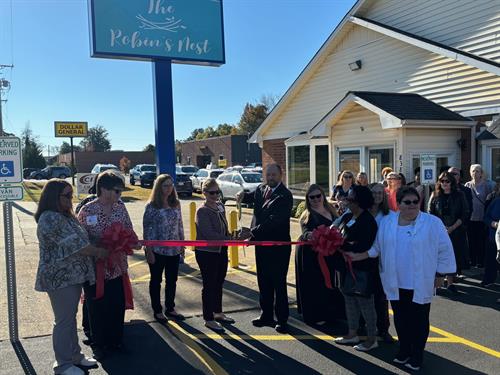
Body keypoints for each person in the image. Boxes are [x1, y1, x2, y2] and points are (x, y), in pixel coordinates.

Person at [347, 186, 456, 371]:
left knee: (419, 320)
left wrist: (440, 274)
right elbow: (377, 248)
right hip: (396, 281)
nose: (412, 205)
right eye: (407, 202)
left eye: (416, 202)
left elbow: (444, 248)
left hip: (421, 281)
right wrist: (358, 256)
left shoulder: (432, 222)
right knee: (401, 318)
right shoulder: (387, 223)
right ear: (398, 204)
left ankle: (417, 354)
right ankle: (404, 349)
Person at [35, 179, 108, 375]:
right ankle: (63, 364)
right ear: (53, 197)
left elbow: (84, 238)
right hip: (60, 278)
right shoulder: (49, 218)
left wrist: (114, 241)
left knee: (70, 319)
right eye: (66, 195)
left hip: (73, 277)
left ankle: (75, 356)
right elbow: (77, 246)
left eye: (71, 194)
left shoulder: (66, 216)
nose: (70, 199)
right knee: (64, 321)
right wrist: (100, 252)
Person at [77, 172, 135, 360]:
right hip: (95, 269)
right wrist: (99, 248)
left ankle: (116, 341)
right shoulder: (87, 210)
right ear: (103, 189)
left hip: (117, 267)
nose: (120, 194)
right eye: (117, 191)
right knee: (97, 307)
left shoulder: (120, 208)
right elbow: (80, 241)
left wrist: (132, 241)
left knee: (116, 305)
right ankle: (99, 344)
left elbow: (128, 229)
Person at [243, 163, 293, 333]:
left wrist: (251, 232)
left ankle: (282, 319)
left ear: (281, 175)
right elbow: (252, 198)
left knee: (278, 283)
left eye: (274, 175)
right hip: (261, 245)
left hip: (278, 247)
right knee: (263, 281)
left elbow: (274, 221)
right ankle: (266, 315)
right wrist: (241, 195)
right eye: (268, 175)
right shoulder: (261, 189)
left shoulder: (285, 196)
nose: (270, 178)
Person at [333, 185, 379, 352]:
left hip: (362, 268)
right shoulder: (348, 217)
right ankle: (352, 333)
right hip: (347, 267)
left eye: (350, 199)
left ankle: (371, 339)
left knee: (365, 303)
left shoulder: (368, 221)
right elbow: (338, 234)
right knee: (349, 299)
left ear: (360, 202)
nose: (347, 202)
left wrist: (343, 245)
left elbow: (362, 245)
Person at [295, 184, 342, 324]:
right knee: (315, 284)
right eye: (312, 197)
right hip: (311, 255)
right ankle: (315, 315)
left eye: (318, 196)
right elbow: (305, 234)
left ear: (323, 196)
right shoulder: (306, 216)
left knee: (332, 282)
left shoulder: (332, 211)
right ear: (307, 199)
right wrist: (312, 236)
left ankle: (334, 312)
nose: (315, 199)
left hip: (331, 253)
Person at [143, 174, 186, 324]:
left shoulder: (176, 203)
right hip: (157, 250)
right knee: (156, 280)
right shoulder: (151, 206)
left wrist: (182, 244)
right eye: (165, 185)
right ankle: (157, 310)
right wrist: (148, 251)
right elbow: (146, 229)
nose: (169, 188)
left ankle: (170, 308)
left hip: (173, 250)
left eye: (171, 185)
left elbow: (180, 225)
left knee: (172, 280)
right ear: (159, 187)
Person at [195, 178, 234, 332]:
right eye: (212, 192)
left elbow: (224, 228)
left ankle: (218, 313)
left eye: (217, 192)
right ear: (204, 193)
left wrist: (230, 235)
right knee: (209, 284)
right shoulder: (202, 211)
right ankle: (208, 318)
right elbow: (209, 233)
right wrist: (228, 239)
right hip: (207, 252)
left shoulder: (220, 206)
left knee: (219, 282)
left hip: (221, 250)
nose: (215, 195)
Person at [428, 172, 469, 293]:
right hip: (439, 231)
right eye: (442, 181)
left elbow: (465, 213)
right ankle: (438, 283)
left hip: (456, 230)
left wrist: (452, 227)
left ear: (452, 182)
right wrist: (441, 228)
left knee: (453, 256)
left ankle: (450, 283)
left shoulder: (459, 195)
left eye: (447, 181)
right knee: (438, 256)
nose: (444, 184)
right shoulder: (435, 195)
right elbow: (430, 213)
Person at [365, 183, 394, 343]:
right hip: (363, 259)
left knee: (381, 297)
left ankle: (383, 329)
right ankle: (367, 326)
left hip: (382, 260)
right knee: (365, 295)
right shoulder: (361, 212)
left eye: (379, 193)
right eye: (373, 193)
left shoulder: (390, 215)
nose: (376, 196)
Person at [465, 164, 494, 268]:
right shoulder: (467, 185)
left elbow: (490, 201)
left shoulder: (486, 185)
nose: (475, 173)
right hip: (471, 217)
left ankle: (480, 261)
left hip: (482, 217)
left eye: (477, 171)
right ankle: (472, 260)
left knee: (481, 240)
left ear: (481, 173)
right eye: (473, 171)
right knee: (471, 240)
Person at [483, 194, 500, 287]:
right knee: (490, 260)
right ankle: (489, 279)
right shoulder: (496, 201)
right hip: (493, 237)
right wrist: (493, 223)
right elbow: (485, 217)